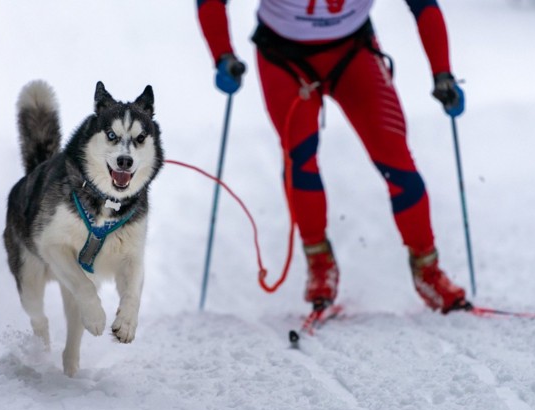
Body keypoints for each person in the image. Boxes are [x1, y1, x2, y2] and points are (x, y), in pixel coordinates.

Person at [196, 0, 467, 312]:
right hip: (282, 57)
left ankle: (427, 270)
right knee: (301, 160)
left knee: (397, 160)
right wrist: (222, 54)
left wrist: (442, 72)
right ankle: (319, 261)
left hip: (352, 50)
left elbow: (423, 5)